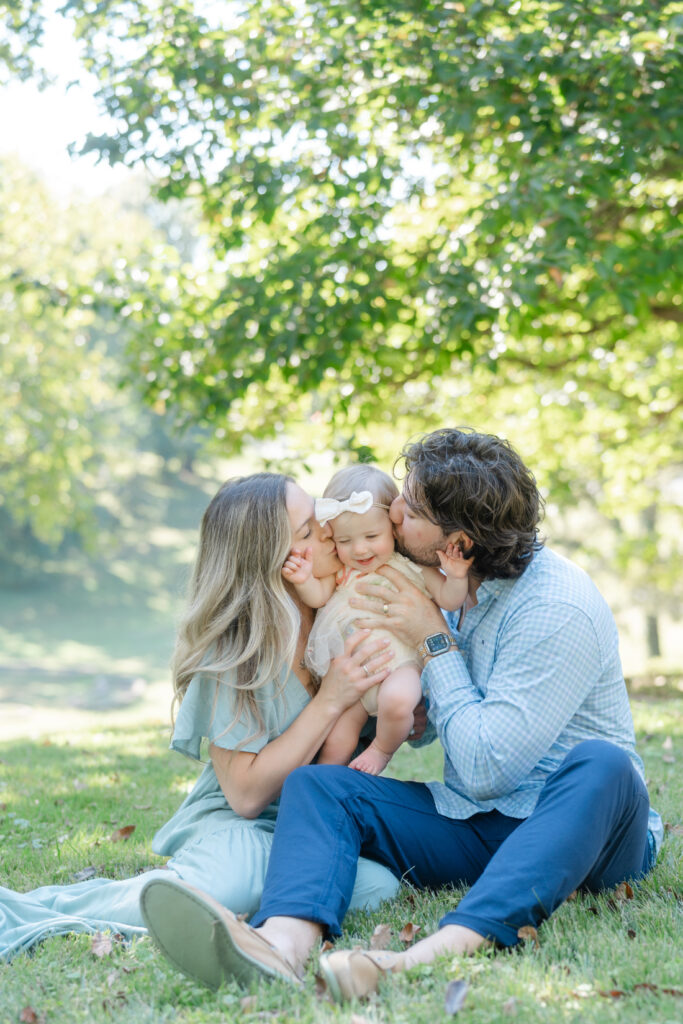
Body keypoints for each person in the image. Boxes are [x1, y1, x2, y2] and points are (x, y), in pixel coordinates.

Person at [139, 429, 663, 1000]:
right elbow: (457, 724)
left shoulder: (554, 608)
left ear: (456, 544)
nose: (392, 510)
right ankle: (282, 945)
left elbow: (490, 766)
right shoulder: (442, 586)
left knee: (604, 765)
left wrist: (434, 641)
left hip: (584, 835)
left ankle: (412, 961)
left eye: (408, 509)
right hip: (480, 822)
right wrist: (415, 714)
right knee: (322, 787)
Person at [0, 473, 401, 963]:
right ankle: (42, 907)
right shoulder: (240, 650)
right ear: (272, 556)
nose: (325, 530)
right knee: (239, 875)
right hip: (236, 824)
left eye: (318, 517)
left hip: (312, 826)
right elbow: (247, 795)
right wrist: (329, 702)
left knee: (379, 886)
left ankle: (256, 893)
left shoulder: (339, 612)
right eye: (305, 530)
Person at [283, 464, 470, 774]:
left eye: (372, 535)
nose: (359, 549)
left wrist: (455, 576)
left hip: (401, 666)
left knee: (397, 703)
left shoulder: (411, 568)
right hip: (356, 678)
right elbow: (318, 597)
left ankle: (381, 751)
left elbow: (450, 599)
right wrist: (304, 579)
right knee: (338, 738)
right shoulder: (343, 571)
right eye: (345, 541)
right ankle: (322, 785)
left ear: (393, 529)